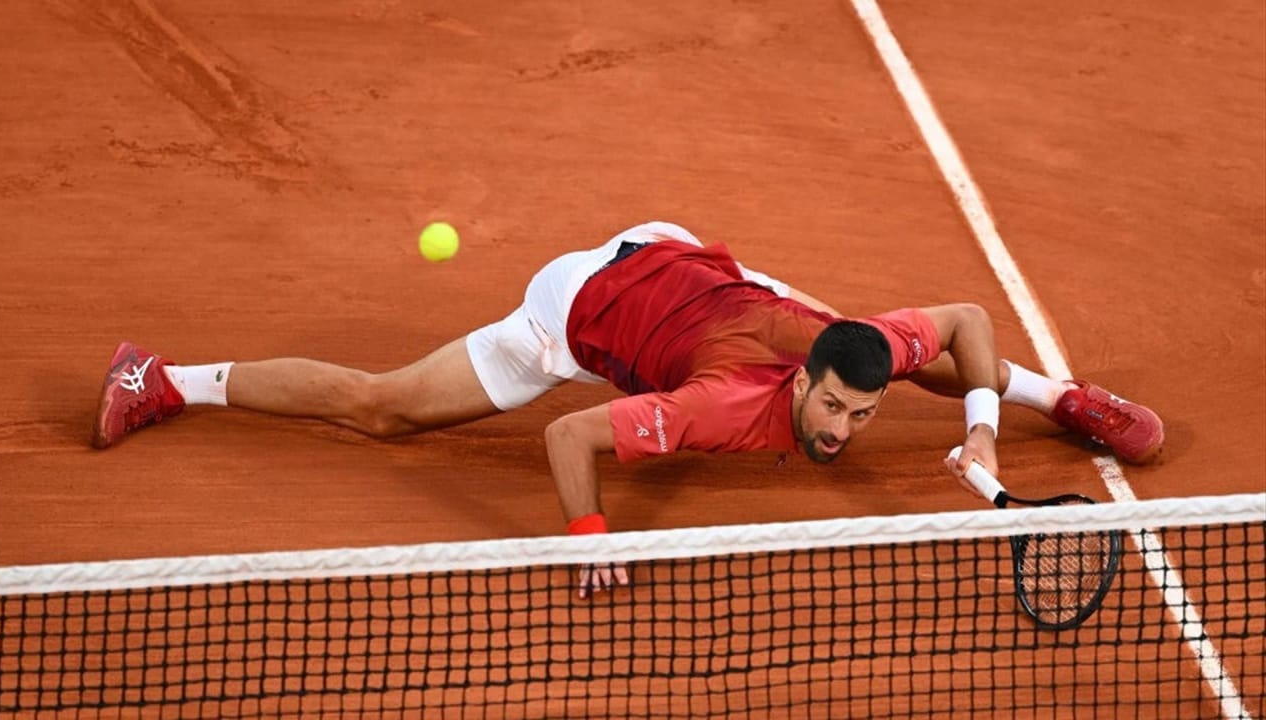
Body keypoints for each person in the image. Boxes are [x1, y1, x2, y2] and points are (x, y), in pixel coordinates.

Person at [90, 221, 1164, 596]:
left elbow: (968, 313)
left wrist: (981, 415)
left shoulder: (851, 360)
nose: (838, 430)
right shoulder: (707, 412)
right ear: (792, 390)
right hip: (577, 308)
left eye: (852, 415)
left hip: (678, 252)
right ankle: (164, 378)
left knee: (887, 340)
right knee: (385, 409)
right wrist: (587, 532)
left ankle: (1064, 399)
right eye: (829, 410)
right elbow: (568, 431)